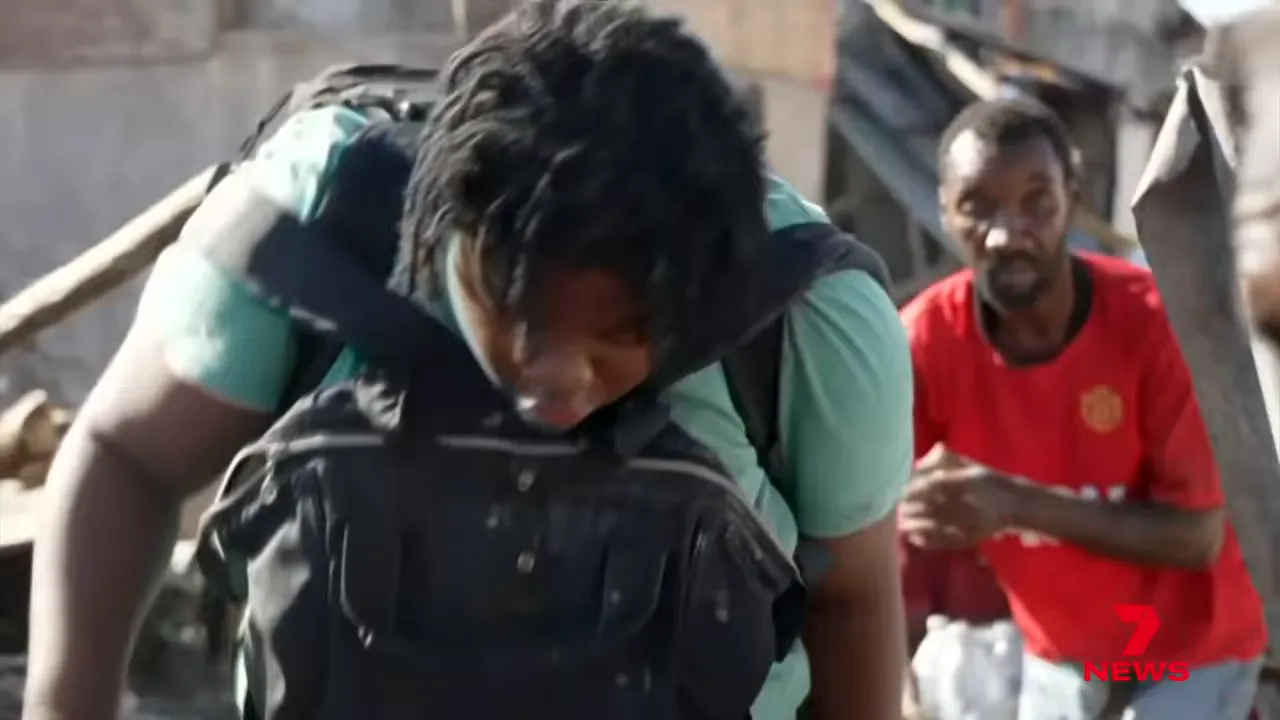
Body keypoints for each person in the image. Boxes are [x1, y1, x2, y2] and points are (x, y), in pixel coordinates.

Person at [20, 2, 914, 719]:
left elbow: (852, 600)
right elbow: (125, 455)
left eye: (621, 336)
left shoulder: (805, 319)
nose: (558, 375)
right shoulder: (317, 231)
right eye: (519, 315)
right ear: (446, 234)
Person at [900, 97, 1267, 719]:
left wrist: (1012, 502)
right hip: (1063, 646)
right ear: (944, 213)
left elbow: (1197, 535)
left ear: (1072, 195)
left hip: (1193, 648)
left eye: (1035, 200)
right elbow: (879, 525)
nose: (1007, 233)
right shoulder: (926, 340)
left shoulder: (1158, 325)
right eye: (976, 206)